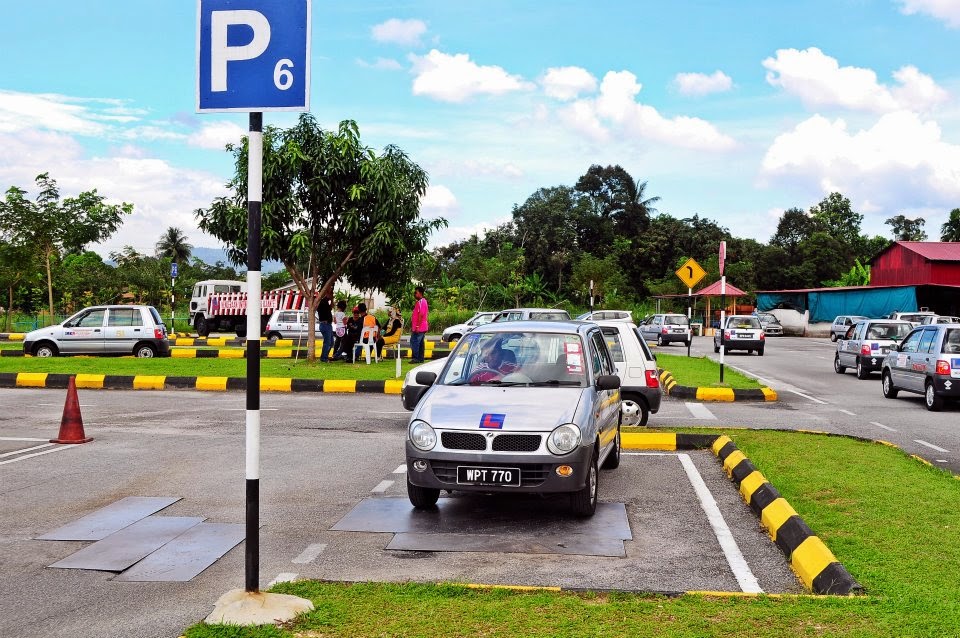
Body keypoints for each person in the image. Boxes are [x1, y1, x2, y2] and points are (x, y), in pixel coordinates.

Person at [410, 286, 429, 363]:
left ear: (420, 293)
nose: (415, 294)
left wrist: (417, 326)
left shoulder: (422, 302)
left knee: (414, 342)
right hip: (419, 327)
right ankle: (421, 358)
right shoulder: (419, 302)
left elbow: (421, 315)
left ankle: (416, 358)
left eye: (416, 293)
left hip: (419, 327)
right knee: (420, 343)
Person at [316, 290, 334, 362]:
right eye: (330, 294)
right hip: (325, 324)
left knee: (331, 342)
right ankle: (323, 358)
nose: (331, 296)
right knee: (327, 342)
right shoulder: (323, 302)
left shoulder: (326, 303)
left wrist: (331, 300)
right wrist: (329, 297)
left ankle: (325, 356)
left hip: (328, 325)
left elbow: (331, 307)